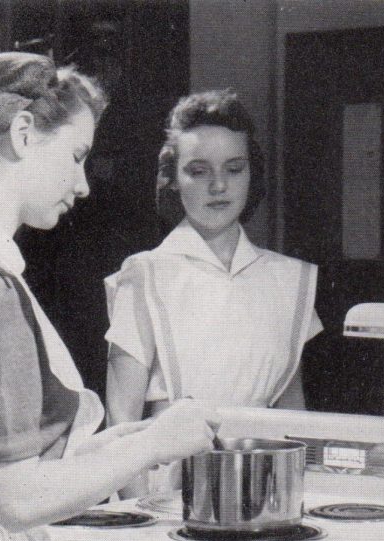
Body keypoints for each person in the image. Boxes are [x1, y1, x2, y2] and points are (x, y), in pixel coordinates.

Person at [0, 52, 219, 541]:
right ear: (23, 134)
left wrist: (116, 440)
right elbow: (16, 499)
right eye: (77, 156)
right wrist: (154, 444)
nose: (84, 184)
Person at [104, 89, 322, 496]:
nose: (219, 185)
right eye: (199, 171)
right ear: (173, 179)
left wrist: (297, 499)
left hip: (263, 490)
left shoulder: (287, 280)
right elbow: (122, 420)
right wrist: (140, 521)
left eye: (234, 168)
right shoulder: (145, 274)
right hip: (167, 492)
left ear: (252, 174)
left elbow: (295, 419)